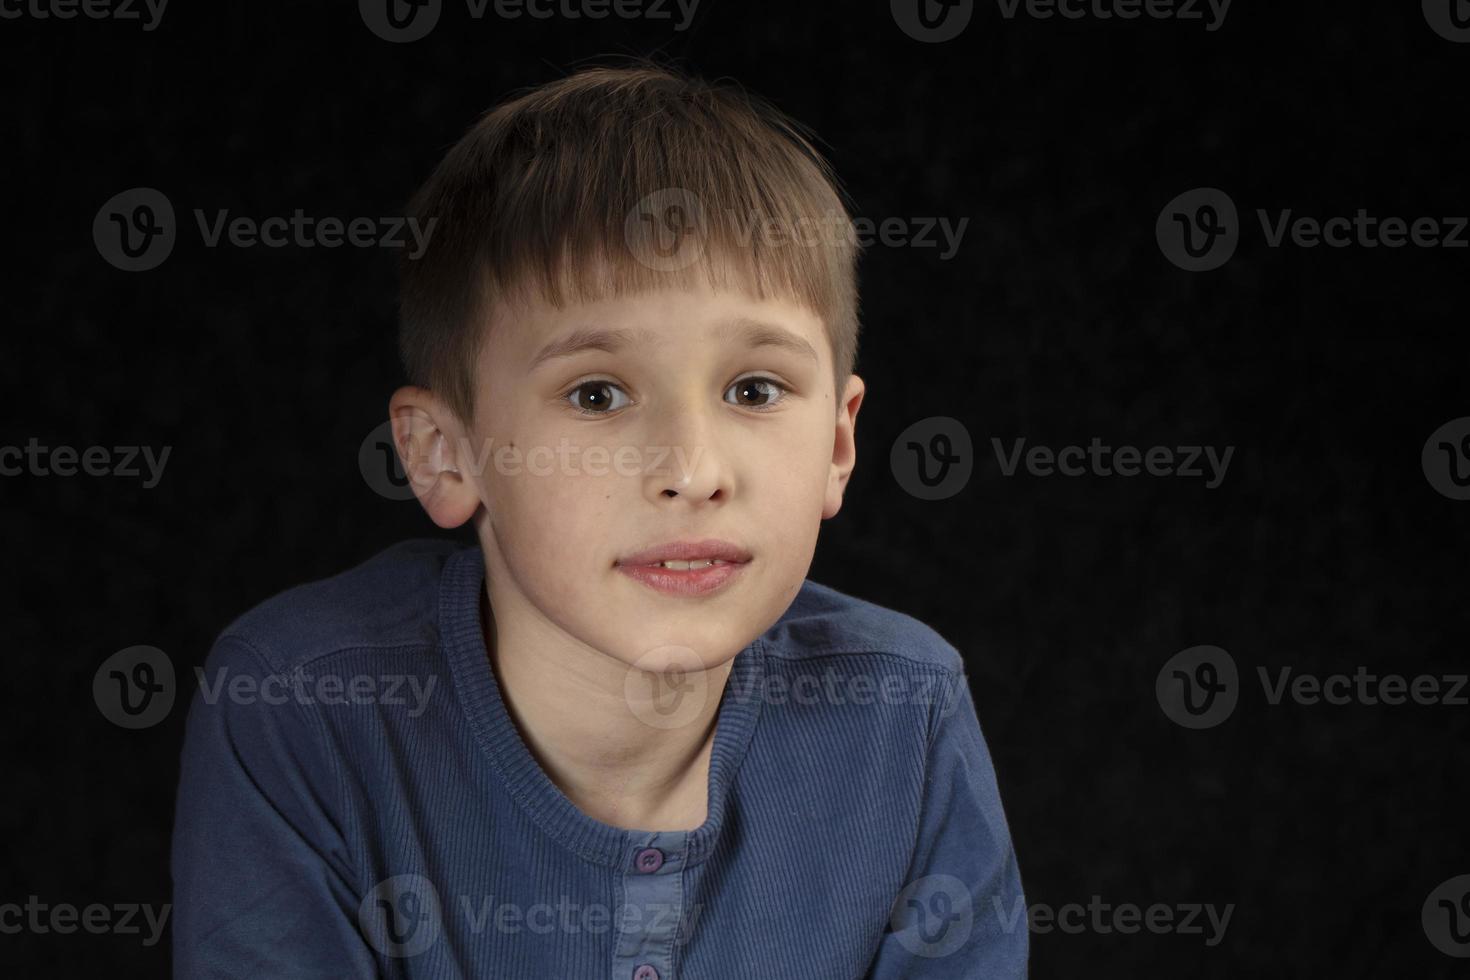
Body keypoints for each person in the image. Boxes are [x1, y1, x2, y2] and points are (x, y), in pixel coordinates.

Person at [171, 60, 1027, 978]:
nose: (692, 473)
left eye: (754, 388)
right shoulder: (300, 706)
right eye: (596, 394)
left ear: (837, 445)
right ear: (443, 454)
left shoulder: (905, 710)